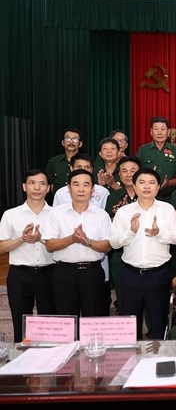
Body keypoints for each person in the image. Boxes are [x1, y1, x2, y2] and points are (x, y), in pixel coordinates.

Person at [109, 168, 176, 339]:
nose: (147, 186)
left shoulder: (167, 209)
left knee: (158, 323)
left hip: (158, 275)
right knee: (130, 326)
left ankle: (157, 354)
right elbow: (113, 242)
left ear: (158, 187)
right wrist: (130, 231)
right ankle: (132, 355)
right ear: (134, 187)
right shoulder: (124, 212)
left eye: (151, 183)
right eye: (142, 182)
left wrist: (160, 232)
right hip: (131, 274)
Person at [42, 169, 112, 317]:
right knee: (67, 320)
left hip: (92, 273)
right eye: (76, 184)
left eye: (86, 185)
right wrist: (72, 239)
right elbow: (50, 245)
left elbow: (107, 246)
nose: (81, 189)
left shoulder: (101, 215)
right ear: (69, 188)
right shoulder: (56, 213)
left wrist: (87, 241)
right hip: (64, 273)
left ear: (93, 189)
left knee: (92, 318)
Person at [0, 169, 55, 342]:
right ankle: (21, 357)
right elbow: (1, 247)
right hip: (19, 275)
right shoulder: (11, 215)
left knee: (51, 324)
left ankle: (51, 357)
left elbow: (62, 245)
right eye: (32, 183)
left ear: (48, 188)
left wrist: (41, 239)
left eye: (42, 183)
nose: (37, 188)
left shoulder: (57, 214)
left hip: (50, 273)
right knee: (21, 323)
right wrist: (22, 239)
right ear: (24, 187)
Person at [105, 156, 141, 312]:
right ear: (119, 175)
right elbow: (108, 225)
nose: (129, 174)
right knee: (124, 298)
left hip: (143, 252)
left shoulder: (148, 195)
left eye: (133, 171)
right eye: (124, 171)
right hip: (120, 254)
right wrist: (122, 214)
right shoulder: (113, 197)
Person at [135, 116, 176, 201]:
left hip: (171, 196)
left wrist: (168, 183)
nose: (159, 133)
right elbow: (136, 174)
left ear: (168, 132)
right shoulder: (143, 150)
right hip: (147, 196)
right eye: (156, 129)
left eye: (163, 129)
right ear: (151, 132)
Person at [45, 128, 83, 196]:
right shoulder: (54, 161)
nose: (71, 142)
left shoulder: (85, 162)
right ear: (63, 142)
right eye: (67, 139)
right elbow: (50, 184)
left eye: (75, 139)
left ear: (80, 144)